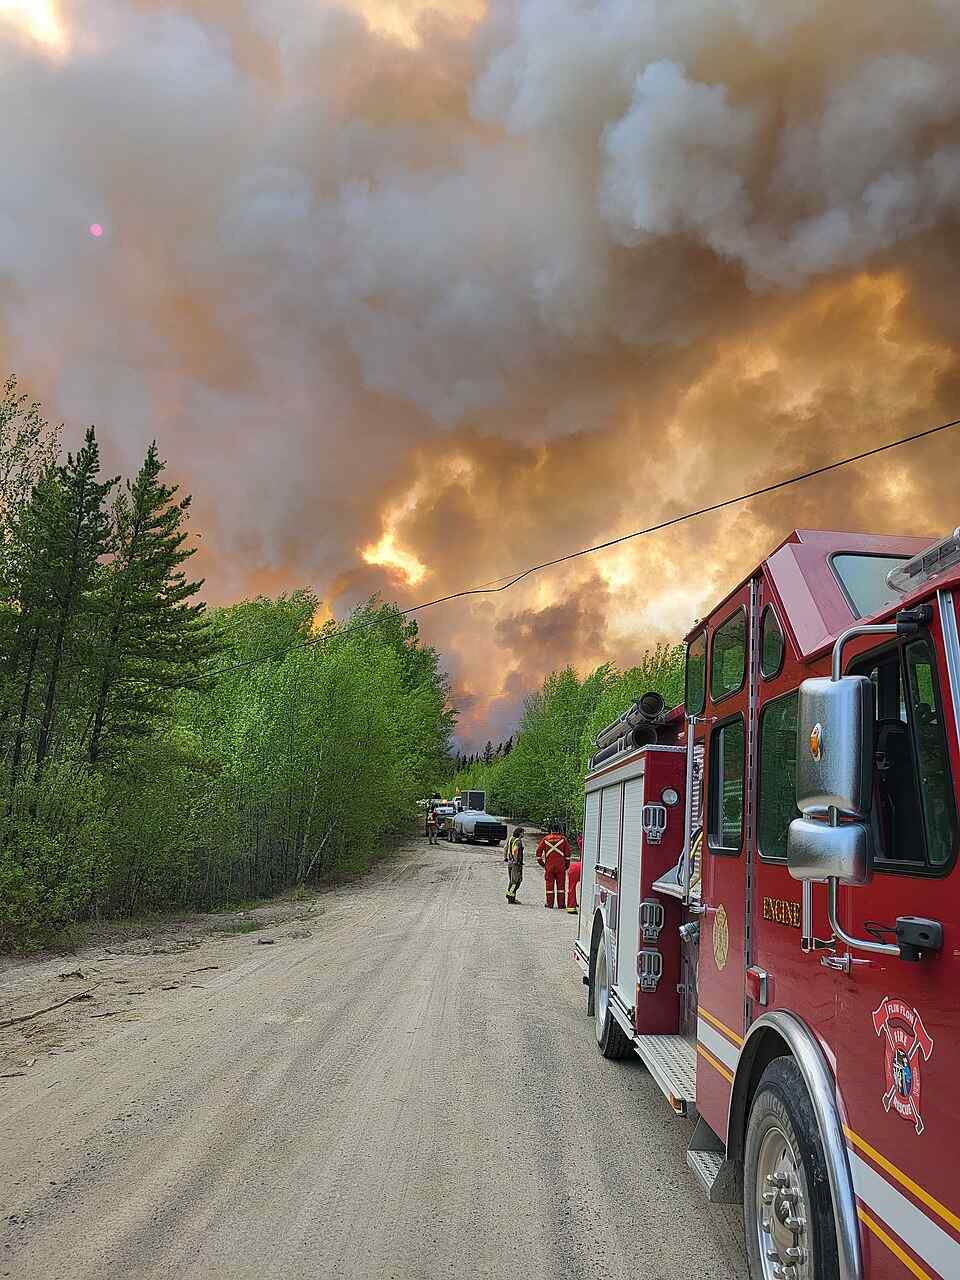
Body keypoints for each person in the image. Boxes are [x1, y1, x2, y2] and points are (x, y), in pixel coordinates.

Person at [536, 824, 571, 909]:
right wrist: (566, 865)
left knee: (549, 886)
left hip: (549, 866)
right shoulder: (563, 839)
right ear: (559, 830)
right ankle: (561, 905)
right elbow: (568, 854)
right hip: (560, 866)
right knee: (561, 887)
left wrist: (543, 864)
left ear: (550, 830)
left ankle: (550, 904)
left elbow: (538, 853)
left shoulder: (545, 839)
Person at [504, 826, 524, 903]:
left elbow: (505, 848)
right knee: (516, 881)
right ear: (520, 833)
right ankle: (510, 896)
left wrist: (505, 858)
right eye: (523, 832)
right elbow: (515, 850)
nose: (523, 834)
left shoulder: (510, 839)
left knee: (512, 881)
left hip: (510, 863)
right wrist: (516, 860)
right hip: (516, 864)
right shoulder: (518, 841)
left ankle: (511, 896)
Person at [566, 836, 583, 915]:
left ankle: (571, 907)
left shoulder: (581, 840)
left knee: (571, 888)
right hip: (582, 867)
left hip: (574, 867)